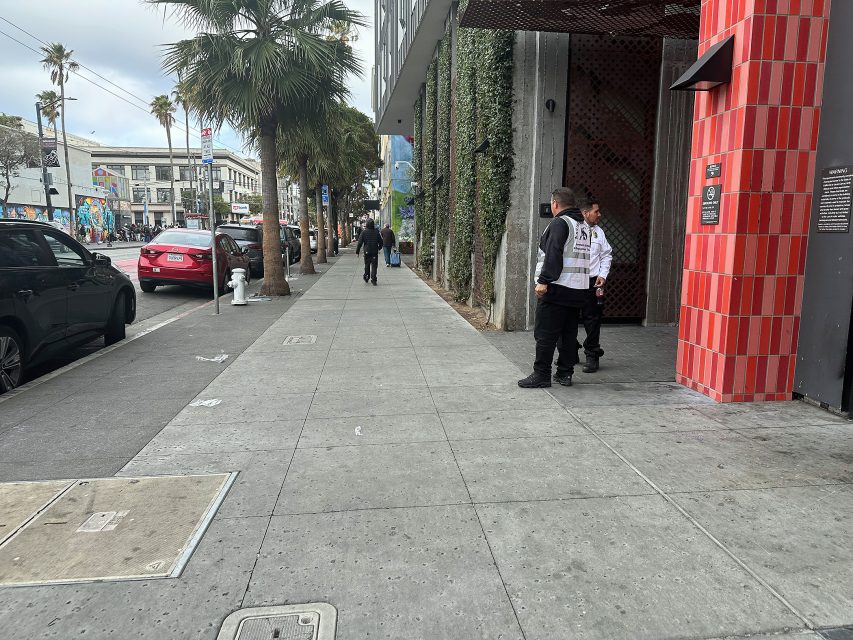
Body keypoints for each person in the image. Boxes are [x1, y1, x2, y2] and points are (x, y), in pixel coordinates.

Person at [518, 187, 591, 388]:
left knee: (545, 334)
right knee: (568, 334)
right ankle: (564, 373)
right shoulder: (583, 225)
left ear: (555, 204)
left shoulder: (560, 223)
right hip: (578, 289)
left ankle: (541, 374)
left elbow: (553, 254)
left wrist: (544, 281)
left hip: (557, 288)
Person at [580, 199, 612, 373]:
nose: (599, 214)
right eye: (596, 211)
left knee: (592, 321)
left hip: (593, 282)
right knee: (565, 320)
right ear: (586, 213)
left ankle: (592, 355)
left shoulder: (599, 232)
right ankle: (569, 351)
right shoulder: (573, 230)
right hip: (573, 282)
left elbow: (606, 255)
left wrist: (602, 275)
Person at [355, 218, 382, 286]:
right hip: (374, 252)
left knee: (367, 265)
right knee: (374, 266)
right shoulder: (376, 232)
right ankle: (374, 279)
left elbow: (360, 243)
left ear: (366, 224)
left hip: (367, 252)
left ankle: (366, 276)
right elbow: (381, 242)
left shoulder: (364, 232)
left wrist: (357, 252)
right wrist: (379, 248)